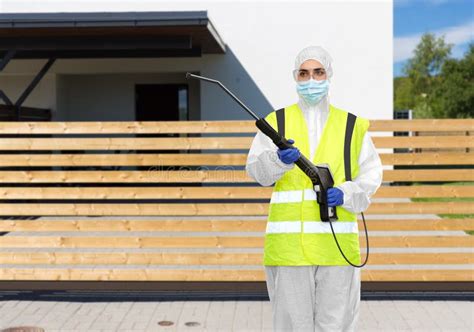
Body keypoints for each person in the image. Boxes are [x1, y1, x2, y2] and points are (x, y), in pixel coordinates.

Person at [245, 46, 383, 331]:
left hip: (336, 248)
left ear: (328, 75)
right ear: (295, 77)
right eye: (304, 73)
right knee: (292, 325)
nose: (311, 80)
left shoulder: (351, 126)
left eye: (318, 72)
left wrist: (346, 193)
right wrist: (276, 161)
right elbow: (256, 171)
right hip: (289, 250)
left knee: (336, 325)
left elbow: (371, 175)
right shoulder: (276, 123)